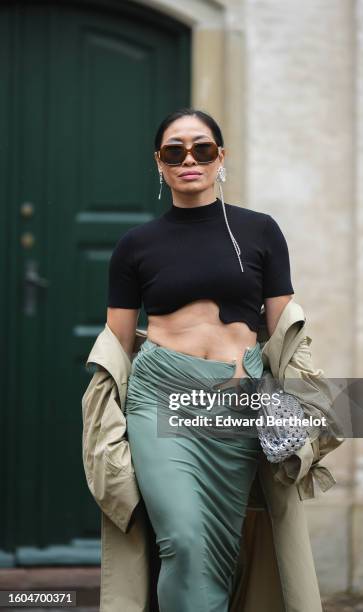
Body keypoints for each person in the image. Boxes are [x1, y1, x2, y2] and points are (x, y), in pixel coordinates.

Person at [105, 107, 295, 612]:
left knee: (218, 547)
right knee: (183, 540)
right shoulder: (135, 245)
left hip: (235, 399)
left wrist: (295, 404)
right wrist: (106, 422)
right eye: (175, 151)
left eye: (202, 148)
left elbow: (282, 335)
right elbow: (117, 344)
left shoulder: (260, 232)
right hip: (162, 396)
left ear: (220, 157)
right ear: (160, 163)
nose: (189, 159)